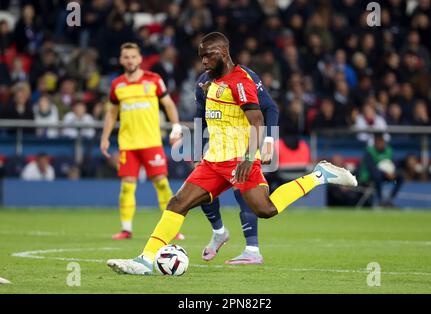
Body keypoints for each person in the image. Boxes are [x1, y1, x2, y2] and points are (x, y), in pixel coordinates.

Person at [106, 32, 357, 275]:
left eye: (208, 56)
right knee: (177, 203)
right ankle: (146, 259)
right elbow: (203, 117)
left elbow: (258, 120)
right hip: (214, 161)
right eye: (201, 56)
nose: (203, 61)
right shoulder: (208, 81)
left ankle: (319, 175)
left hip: (240, 159)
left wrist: (251, 157)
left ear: (223, 53)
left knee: (266, 209)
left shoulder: (241, 82)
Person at [195, 63, 279, 265]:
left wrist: (269, 141)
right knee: (201, 192)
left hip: (244, 145)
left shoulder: (246, 77)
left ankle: (252, 249)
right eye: (204, 55)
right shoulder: (202, 81)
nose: (207, 60)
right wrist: (197, 149)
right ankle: (219, 232)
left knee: (244, 193)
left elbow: (270, 107)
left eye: (211, 54)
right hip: (217, 147)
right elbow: (200, 114)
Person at [100, 42, 183, 240]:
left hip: (152, 142)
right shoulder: (117, 85)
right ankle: (126, 229)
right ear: (121, 60)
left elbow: (169, 104)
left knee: (162, 184)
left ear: (139, 59)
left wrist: (176, 128)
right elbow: (111, 113)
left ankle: (172, 228)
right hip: (128, 144)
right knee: (127, 186)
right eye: (126, 57)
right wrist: (104, 137)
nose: (129, 60)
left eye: (133, 56)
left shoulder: (153, 80)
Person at [358, 133, 404, 207]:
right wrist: (385, 173)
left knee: (400, 176)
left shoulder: (389, 150)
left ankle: (390, 199)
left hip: (387, 175)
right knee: (377, 175)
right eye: (378, 142)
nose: (380, 144)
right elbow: (371, 168)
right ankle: (380, 199)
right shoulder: (369, 152)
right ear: (375, 143)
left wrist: (393, 172)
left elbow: (394, 163)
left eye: (382, 142)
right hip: (370, 176)